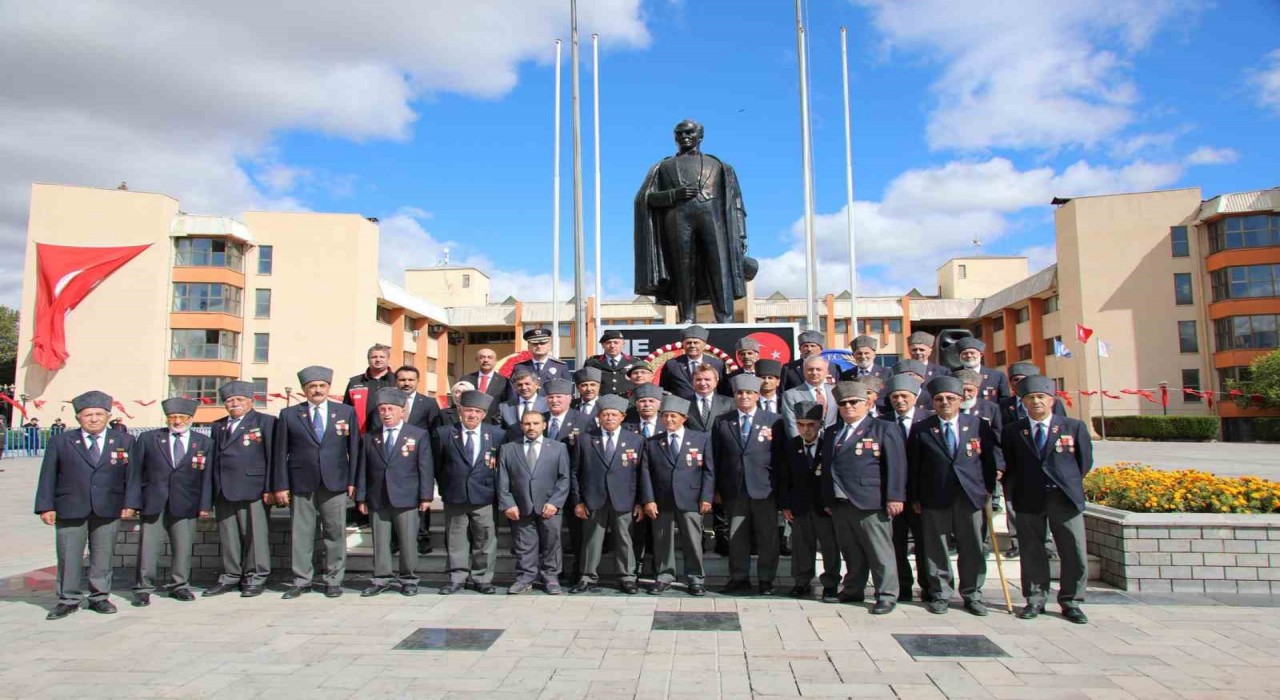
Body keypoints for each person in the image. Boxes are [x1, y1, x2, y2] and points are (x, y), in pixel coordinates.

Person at [34, 391, 137, 620]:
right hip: (70, 506)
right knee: (69, 555)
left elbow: (132, 476)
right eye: (88, 415)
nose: (94, 419)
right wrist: (45, 506)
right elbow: (48, 475)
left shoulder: (124, 441)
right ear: (79, 417)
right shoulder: (61, 441)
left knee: (103, 553)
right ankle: (68, 599)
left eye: (99, 414)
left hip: (109, 505)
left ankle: (99, 597)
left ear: (108, 416)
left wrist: (131, 503)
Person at [634, 119, 749, 324]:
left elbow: (736, 202)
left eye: (689, 132)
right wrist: (673, 195)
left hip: (714, 220)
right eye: (679, 134)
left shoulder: (721, 166)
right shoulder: (664, 167)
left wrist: (741, 234)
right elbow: (645, 198)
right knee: (682, 269)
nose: (684, 137)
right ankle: (687, 317)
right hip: (677, 219)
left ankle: (725, 318)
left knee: (719, 266)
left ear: (700, 136)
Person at [1001, 375, 1093, 624]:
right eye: (1030, 398)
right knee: (1032, 550)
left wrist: (1065, 483)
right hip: (1029, 497)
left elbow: (1084, 463)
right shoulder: (1013, 431)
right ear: (1023, 402)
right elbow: (1009, 464)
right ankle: (1034, 598)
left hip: (1064, 498)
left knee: (1072, 549)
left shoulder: (1073, 427)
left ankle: (1071, 601)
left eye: (1041, 397)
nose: (1036, 402)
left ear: (1052, 400)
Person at [909, 376, 1002, 617]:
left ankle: (972, 594)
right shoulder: (922, 428)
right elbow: (913, 466)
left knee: (972, 546)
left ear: (960, 400)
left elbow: (989, 462)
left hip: (970, 496)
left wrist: (989, 491)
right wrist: (915, 497)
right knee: (935, 547)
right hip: (934, 496)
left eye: (950, 398)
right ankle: (940, 593)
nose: (945, 402)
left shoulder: (978, 425)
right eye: (939, 399)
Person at [273, 366, 360, 599]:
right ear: (304, 390)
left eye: (322, 386)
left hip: (336, 482)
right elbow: (280, 453)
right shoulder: (289, 414)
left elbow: (355, 449)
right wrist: (281, 485)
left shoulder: (345, 412)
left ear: (329, 388)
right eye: (312, 386)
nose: (317, 390)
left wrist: (353, 481)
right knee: (301, 534)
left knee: (335, 533)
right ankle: (302, 580)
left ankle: (334, 580)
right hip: (301, 482)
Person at [821, 381, 906, 615]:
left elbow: (896, 465)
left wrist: (895, 497)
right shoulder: (832, 432)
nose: (848, 407)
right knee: (851, 551)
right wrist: (828, 500)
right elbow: (828, 467)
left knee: (879, 551)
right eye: (843, 403)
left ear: (866, 403)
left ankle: (886, 594)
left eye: (853, 402)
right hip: (840, 502)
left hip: (871, 501)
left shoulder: (883, 428)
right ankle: (852, 589)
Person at [127, 396, 213, 607]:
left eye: (182, 417)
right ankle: (143, 588)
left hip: (187, 502)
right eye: (172, 417)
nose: (177, 421)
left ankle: (180, 585)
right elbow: (135, 473)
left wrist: (204, 505)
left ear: (191, 418)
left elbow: (208, 477)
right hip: (153, 501)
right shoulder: (149, 439)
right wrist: (133, 502)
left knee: (183, 547)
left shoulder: (204, 442)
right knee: (148, 547)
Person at [355, 388, 434, 598]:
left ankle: (408, 578)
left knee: (408, 540)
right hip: (377, 497)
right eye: (382, 409)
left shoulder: (418, 435)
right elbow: (363, 469)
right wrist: (361, 496)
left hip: (407, 497)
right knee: (380, 541)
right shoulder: (371, 437)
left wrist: (426, 496)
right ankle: (380, 578)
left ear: (402, 410)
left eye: (391, 409)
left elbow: (425, 467)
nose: (386, 413)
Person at [711, 374, 784, 595]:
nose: (744, 396)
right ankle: (738, 577)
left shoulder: (774, 420)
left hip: (765, 488)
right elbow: (715, 457)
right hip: (734, 488)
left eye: (749, 393)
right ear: (734, 396)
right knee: (736, 537)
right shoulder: (722, 421)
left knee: (767, 536)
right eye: (740, 393)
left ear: (757, 395)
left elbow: (781, 458)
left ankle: (766, 579)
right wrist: (715, 489)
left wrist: (780, 489)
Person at [201, 381, 275, 598]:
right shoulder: (218, 426)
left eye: (240, 399)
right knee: (229, 536)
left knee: (255, 535)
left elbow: (274, 457)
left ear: (251, 401)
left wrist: (272, 487)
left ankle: (256, 576)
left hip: (254, 487)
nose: (234, 404)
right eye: (229, 400)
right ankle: (231, 576)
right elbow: (213, 460)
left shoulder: (266, 422)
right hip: (224, 488)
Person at [638, 395, 714, 595]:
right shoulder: (653, 442)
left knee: (692, 540)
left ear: (684, 418)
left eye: (673, 416)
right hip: (662, 500)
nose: (669, 420)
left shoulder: (700, 439)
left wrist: (706, 497)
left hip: (691, 498)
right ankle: (664, 576)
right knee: (663, 540)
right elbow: (645, 473)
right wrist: (648, 500)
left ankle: (696, 578)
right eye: (665, 416)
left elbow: (709, 471)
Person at [569, 394, 644, 594]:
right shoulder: (585, 439)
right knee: (591, 539)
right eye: (605, 414)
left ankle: (627, 577)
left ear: (622, 417)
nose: (609, 418)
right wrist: (578, 501)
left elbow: (641, 473)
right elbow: (575, 472)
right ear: (599, 417)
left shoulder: (636, 440)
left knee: (624, 538)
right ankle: (587, 576)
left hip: (624, 498)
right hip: (593, 498)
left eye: (614, 414)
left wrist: (640, 501)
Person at [435, 390, 505, 595]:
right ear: (460, 411)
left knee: (485, 539)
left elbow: (500, 466)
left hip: (484, 496)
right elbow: (438, 465)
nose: (472, 415)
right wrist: (446, 487)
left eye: (477, 411)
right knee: (456, 539)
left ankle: (482, 578)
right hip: (455, 495)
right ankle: (457, 577)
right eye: (468, 411)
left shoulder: (497, 434)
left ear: (484, 414)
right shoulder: (445, 433)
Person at [499, 411, 571, 595]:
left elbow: (564, 478)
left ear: (544, 425)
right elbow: (502, 479)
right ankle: (525, 577)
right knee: (524, 543)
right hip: (520, 505)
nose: (531, 427)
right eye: (527, 424)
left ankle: (551, 578)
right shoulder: (508, 448)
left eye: (535, 423)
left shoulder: (558, 447)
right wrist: (508, 503)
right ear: (521, 426)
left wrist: (555, 502)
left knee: (552, 542)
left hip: (549, 506)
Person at [779, 401, 840, 601]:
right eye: (801, 424)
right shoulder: (791, 446)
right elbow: (784, 477)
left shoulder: (829, 445)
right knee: (802, 546)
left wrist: (832, 502)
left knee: (830, 546)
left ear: (820, 424)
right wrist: (785, 504)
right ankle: (801, 581)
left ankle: (830, 583)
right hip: (800, 505)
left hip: (824, 506)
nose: (806, 429)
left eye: (811, 424)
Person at [880, 375, 930, 602]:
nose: (899, 400)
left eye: (904, 396)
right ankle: (903, 586)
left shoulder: (928, 421)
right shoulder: (883, 422)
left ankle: (930, 587)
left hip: (921, 495)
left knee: (925, 544)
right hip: (892, 496)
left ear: (915, 397)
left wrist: (919, 495)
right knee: (896, 544)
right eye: (894, 396)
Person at [395, 365, 441, 555]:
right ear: (396, 381)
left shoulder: (428, 403)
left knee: (422, 499)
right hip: (393, 460)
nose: (406, 383)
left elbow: (435, 432)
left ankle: (422, 537)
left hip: (419, 460)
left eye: (410, 379)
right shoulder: (388, 401)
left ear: (417, 381)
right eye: (402, 379)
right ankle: (396, 540)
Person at [623, 383, 664, 576]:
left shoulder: (669, 423)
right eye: (642, 401)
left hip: (662, 488)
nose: (646, 405)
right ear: (636, 404)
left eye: (651, 401)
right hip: (633, 487)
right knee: (636, 532)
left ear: (659, 403)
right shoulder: (626, 427)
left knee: (660, 533)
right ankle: (635, 569)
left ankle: (660, 570)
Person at [660, 325, 725, 401]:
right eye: (688, 343)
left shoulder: (716, 364)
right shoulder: (672, 365)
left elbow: (723, 390)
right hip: (681, 409)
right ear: (683, 345)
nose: (692, 346)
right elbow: (664, 390)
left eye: (696, 343)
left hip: (708, 407)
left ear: (704, 345)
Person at [782, 355, 837, 438]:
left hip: (833, 443)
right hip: (806, 444)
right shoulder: (791, 395)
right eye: (810, 369)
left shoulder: (835, 391)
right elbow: (791, 425)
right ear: (803, 371)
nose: (814, 373)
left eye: (818, 369)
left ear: (827, 372)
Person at [343, 344, 396, 431]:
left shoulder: (397, 381)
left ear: (388, 359)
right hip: (361, 434)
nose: (378, 360)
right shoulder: (355, 382)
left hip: (391, 434)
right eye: (374, 357)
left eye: (382, 357)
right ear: (368, 360)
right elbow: (346, 410)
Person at [462, 348, 510, 421]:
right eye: (482, 357)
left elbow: (508, 405)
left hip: (494, 424)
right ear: (477, 360)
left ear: (496, 361)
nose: (486, 360)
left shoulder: (505, 381)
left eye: (490, 357)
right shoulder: (466, 379)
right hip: (470, 422)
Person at [685, 364, 733, 433]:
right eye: (698, 379)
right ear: (693, 381)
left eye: (707, 379)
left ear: (716, 381)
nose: (702, 383)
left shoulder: (729, 403)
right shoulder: (683, 403)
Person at [583, 330, 632, 396]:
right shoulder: (592, 363)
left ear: (623, 345)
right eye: (608, 343)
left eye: (616, 343)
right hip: (601, 402)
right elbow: (585, 384)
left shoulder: (634, 362)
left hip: (628, 403)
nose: (612, 346)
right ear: (603, 345)